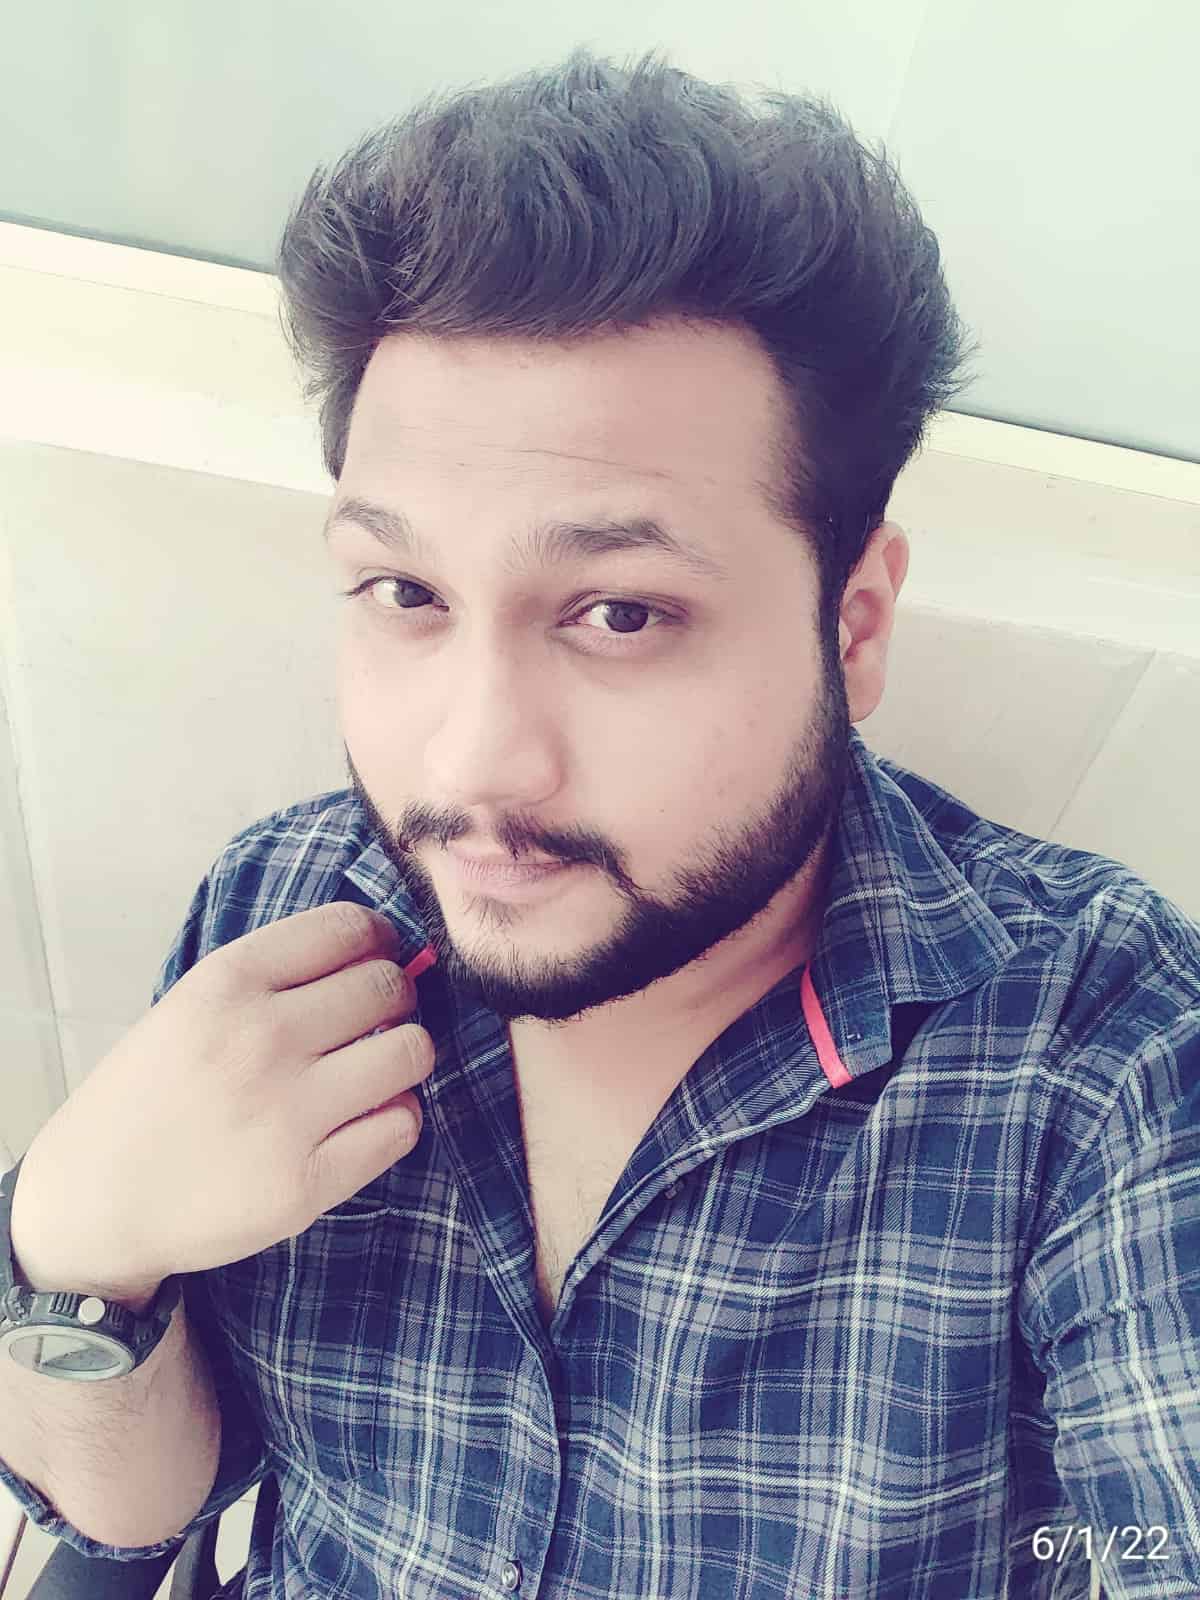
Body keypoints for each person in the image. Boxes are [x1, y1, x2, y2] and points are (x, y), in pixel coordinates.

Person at [2, 44, 1198, 1600]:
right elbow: (131, 1521)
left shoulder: (1102, 1061)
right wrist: (76, 1260)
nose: (474, 761)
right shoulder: (286, 906)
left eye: (620, 612)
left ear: (852, 626)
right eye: (405, 591)